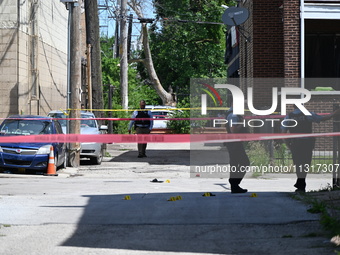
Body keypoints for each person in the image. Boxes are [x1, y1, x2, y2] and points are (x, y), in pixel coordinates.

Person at [282, 105, 340, 192]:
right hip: (307, 143)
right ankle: (301, 183)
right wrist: (334, 113)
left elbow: (283, 132)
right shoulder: (308, 114)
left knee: (298, 164)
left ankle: (300, 183)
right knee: (306, 163)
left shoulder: (289, 116)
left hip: (295, 143)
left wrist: (288, 145)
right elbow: (322, 118)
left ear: (293, 106)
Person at [225, 107, 249, 193]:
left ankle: (234, 185)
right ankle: (234, 183)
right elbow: (233, 130)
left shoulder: (233, 114)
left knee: (235, 163)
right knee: (244, 162)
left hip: (234, 142)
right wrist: (242, 123)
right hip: (234, 142)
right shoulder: (234, 115)